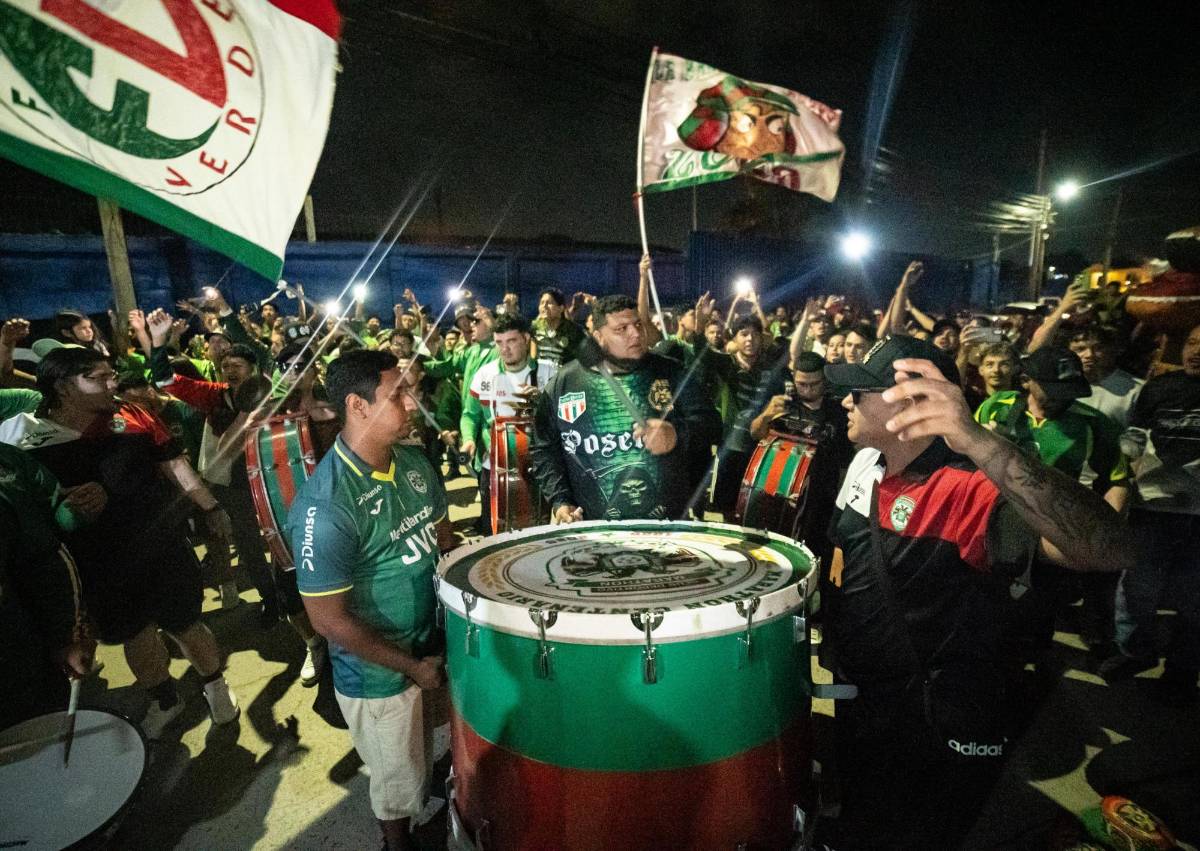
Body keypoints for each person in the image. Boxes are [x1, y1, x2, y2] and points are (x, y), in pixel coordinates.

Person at [819, 334, 1136, 850]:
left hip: (932, 726)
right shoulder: (865, 462)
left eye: (860, 392)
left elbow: (1108, 548)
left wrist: (978, 441)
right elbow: (843, 558)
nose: (845, 401)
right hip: (864, 700)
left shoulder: (968, 488)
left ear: (913, 405)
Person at [9, 347, 240, 737]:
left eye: (110, 374)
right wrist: (64, 505)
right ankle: (165, 699)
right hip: (96, 562)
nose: (112, 383)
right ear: (64, 387)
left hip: (160, 546)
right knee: (133, 634)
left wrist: (211, 507)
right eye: (98, 377)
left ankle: (215, 685)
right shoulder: (21, 435)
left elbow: (175, 465)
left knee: (186, 624)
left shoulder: (134, 416)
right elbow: (23, 500)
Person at [288, 350, 454, 851]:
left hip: (429, 649)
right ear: (357, 405)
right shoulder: (326, 504)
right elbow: (329, 620)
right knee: (394, 782)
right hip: (381, 674)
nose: (413, 401)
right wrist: (411, 666)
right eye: (398, 393)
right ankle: (396, 844)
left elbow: (443, 540)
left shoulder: (415, 462)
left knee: (419, 758)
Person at [975, 347, 1131, 657]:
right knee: (988, 603)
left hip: (1051, 528)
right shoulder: (997, 408)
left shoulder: (1093, 423)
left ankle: (1035, 663)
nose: (1064, 398)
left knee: (1040, 608)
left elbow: (1116, 480)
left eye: (1070, 390)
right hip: (995, 522)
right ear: (1026, 381)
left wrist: (1103, 535)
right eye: (1053, 389)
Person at [530, 294, 716, 523]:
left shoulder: (671, 373)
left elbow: (713, 426)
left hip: (667, 527)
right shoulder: (565, 383)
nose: (636, 334)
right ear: (598, 337)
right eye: (621, 329)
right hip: (595, 530)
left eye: (638, 324)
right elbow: (544, 448)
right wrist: (560, 500)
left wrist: (677, 434)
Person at [1101, 322, 1200, 705]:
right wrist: (1128, 451)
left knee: (1194, 598)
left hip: (1197, 514)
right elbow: (1136, 435)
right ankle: (1134, 653)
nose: (1195, 351)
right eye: (1191, 342)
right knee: (1138, 589)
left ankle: (1183, 670)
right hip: (1154, 505)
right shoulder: (1158, 388)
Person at [0, 442, 96, 729]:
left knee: (46, 725)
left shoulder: (8, 458)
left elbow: (54, 504)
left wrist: (79, 506)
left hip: (38, 635)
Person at [748, 351, 852, 566]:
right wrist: (766, 415)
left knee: (815, 552)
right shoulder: (782, 403)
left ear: (825, 380)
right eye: (802, 384)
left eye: (814, 384)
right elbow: (755, 433)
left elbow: (845, 459)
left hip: (823, 495)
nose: (808, 389)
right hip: (781, 491)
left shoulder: (838, 410)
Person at [701, 313, 788, 520]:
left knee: (757, 507)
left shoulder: (772, 370)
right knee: (727, 507)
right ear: (735, 338)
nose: (750, 339)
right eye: (744, 334)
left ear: (762, 337)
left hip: (761, 449)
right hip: (731, 446)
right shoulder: (726, 365)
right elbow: (701, 355)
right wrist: (700, 325)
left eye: (755, 334)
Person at [460, 313, 539, 533]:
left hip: (536, 467)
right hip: (493, 466)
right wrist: (468, 440)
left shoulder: (548, 372)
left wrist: (543, 403)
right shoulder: (485, 374)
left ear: (525, 338)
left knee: (536, 526)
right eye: (499, 343)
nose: (504, 349)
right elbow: (470, 415)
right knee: (494, 529)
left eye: (511, 341)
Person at [531, 287, 585, 384]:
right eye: (542, 303)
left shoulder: (574, 331)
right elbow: (532, 357)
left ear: (561, 308)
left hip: (565, 383)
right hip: (540, 383)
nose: (544, 306)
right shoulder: (535, 329)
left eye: (549, 303)